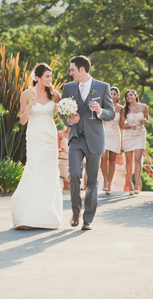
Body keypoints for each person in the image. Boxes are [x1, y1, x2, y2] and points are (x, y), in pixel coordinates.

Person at [59, 55, 115, 230]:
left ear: (82, 69)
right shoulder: (68, 88)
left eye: (72, 70)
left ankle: (88, 218)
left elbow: (111, 113)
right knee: (74, 174)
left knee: (91, 181)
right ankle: (76, 211)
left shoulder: (102, 87)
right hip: (76, 138)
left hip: (95, 139)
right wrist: (69, 121)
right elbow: (61, 110)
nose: (70, 73)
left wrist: (100, 111)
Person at [11, 63, 63, 229]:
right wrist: (29, 107)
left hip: (49, 135)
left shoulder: (54, 94)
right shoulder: (26, 95)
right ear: (38, 77)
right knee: (34, 169)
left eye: (51, 76)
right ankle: (26, 215)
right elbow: (22, 120)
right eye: (47, 76)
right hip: (34, 135)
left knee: (49, 172)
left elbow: (64, 113)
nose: (50, 79)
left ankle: (47, 215)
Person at [120, 89, 149, 195]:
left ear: (135, 95)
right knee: (128, 161)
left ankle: (137, 184)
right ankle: (130, 184)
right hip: (129, 135)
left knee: (137, 159)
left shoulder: (143, 107)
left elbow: (147, 120)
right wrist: (128, 126)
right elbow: (121, 125)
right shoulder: (124, 110)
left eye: (131, 95)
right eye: (127, 96)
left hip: (140, 135)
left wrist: (145, 122)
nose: (129, 97)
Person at [100, 87, 123, 195]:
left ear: (118, 96)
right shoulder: (103, 106)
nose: (112, 95)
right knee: (103, 157)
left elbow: (122, 125)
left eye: (114, 94)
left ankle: (110, 184)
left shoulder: (121, 109)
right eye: (111, 93)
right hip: (104, 134)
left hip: (115, 135)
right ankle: (105, 180)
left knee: (113, 160)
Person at [58, 125, 70, 190]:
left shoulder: (78, 134)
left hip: (74, 160)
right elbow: (56, 148)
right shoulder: (60, 134)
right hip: (64, 160)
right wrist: (60, 149)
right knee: (66, 184)